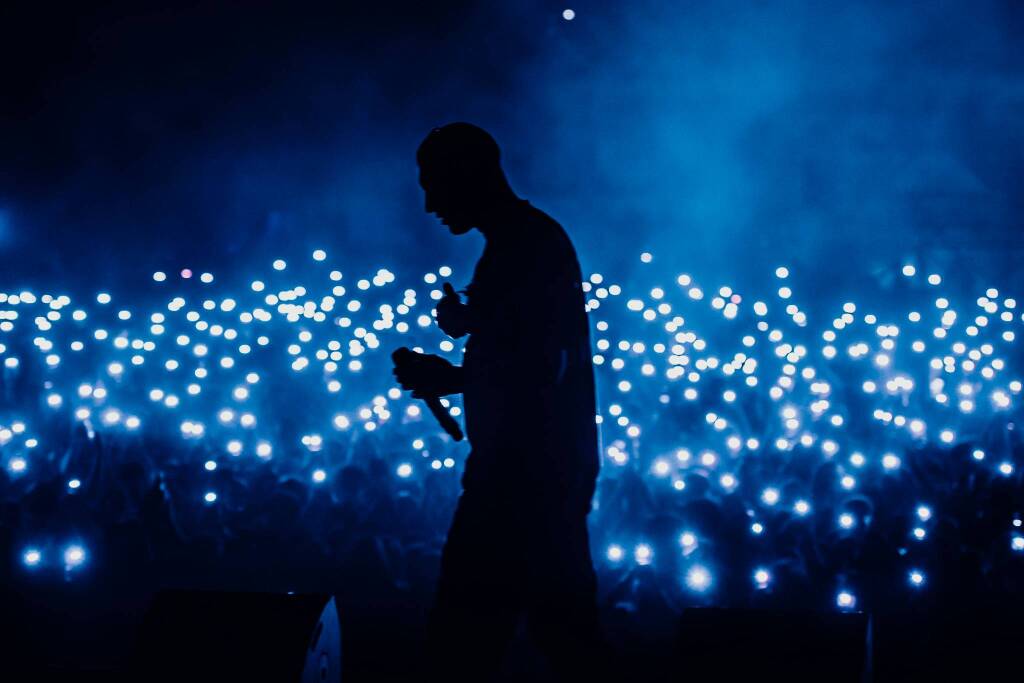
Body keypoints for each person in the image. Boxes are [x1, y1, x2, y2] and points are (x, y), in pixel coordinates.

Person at [393, 122, 615, 680]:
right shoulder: (525, 241)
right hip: (541, 471)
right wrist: (471, 332)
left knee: (464, 639)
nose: (428, 205)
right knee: (561, 634)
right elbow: (527, 345)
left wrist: (455, 377)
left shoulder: (524, 246)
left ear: (469, 174)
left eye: (433, 185)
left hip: (522, 477)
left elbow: (540, 365)